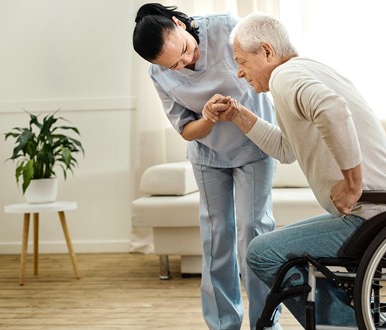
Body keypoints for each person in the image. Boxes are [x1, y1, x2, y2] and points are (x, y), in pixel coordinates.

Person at [204, 13, 386, 327]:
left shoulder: (285, 77)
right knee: (272, 246)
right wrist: (238, 115)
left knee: (262, 253)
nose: (239, 71)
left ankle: (356, 325)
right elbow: (286, 149)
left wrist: (352, 182)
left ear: (266, 52)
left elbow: (333, 110)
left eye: (241, 61)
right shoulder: (305, 70)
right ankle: (360, 320)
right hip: (380, 212)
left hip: (372, 216)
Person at [132, 5, 281, 330]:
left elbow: (266, 69)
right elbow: (186, 130)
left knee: (253, 235)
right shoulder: (158, 74)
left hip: (254, 144)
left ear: (179, 23)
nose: (186, 61)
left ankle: (265, 324)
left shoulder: (227, 27)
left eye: (184, 49)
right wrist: (209, 117)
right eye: (175, 64)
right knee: (217, 239)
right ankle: (222, 324)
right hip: (208, 155)